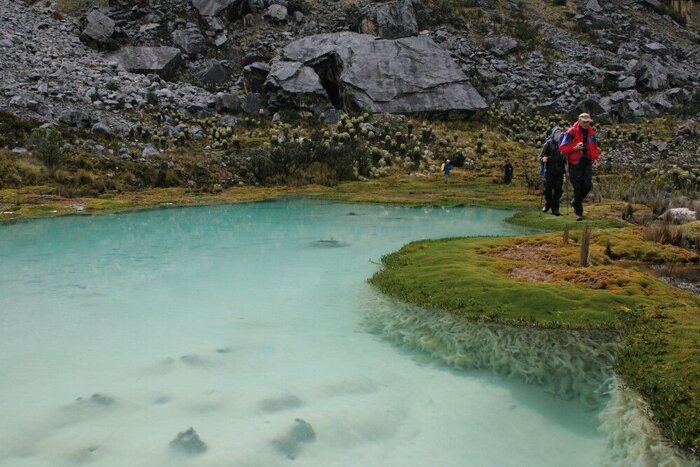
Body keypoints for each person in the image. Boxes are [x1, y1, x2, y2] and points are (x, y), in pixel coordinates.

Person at [559, 113, 599, 221]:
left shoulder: (591, 132)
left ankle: (575, 202)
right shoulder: (571, 132)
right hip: (574, 162)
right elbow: (563, 148)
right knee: (577, 187)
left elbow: (594, 146)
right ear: (579, 121)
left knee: (587, 185)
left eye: (588, 122)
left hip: (587, 161)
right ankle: (578, 213)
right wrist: (575, 148)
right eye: (584, 122)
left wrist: (595, 158)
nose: (587, 124)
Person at [539, 126, 566, 216]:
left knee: (558, 190)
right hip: (549, 170)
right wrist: (544, 159)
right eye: (556, 133)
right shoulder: (548, 144)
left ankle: (555, 208)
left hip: (560, 171)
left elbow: (567, 157)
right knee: (547, 190)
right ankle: (548, 204)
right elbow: (541, 156)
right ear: (553, 134)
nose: (558, 134)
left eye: (560, 133)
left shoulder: (564, 144)